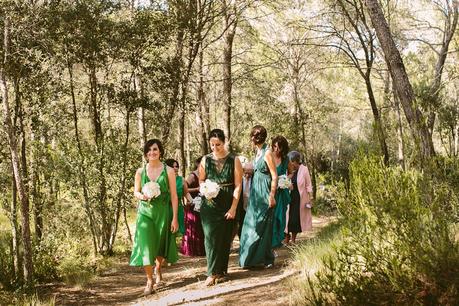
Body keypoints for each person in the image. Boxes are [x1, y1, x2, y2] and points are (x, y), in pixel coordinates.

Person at [130, 139, 179, 295]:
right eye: (149, 150)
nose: (152, 152)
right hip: (145, 213)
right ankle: (149, 281)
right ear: (145, 154)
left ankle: (158, 268)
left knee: (159, 245)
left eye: (155, 149)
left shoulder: (169, 171)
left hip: (163, 212)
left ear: (160, 151)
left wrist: (175, 218)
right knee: (146, 245)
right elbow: (135, 192)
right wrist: (142, 196)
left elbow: (174, 196)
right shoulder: (140, 172)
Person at [199, 129, 243, 286]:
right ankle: (211, 273)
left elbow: (238, 185)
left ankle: (222, 271)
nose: (215, 148)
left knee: (225, 239)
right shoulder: (205, 160)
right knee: (210, 238)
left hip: (227, 202)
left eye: (218, 144)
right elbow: (201, 180)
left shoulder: (234, 160)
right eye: (212, 144)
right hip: (210, 204)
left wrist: (233, 208)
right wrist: (206, 189)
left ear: (224, 142)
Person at [239, 125, 278, 268]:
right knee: (252, 224)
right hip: (255, 191)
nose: (251, 139)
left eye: (253, 136)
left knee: (263, 225)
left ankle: (263, 258)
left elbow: (274, 176)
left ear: (258, 138)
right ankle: (253, 257)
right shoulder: (259, 152)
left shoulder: (267, 153)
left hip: (265, 192)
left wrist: (272, 195)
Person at [285, 151, 313, 244]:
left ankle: (293, 239)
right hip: (288, 196)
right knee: (286, 217)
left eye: (292, 161)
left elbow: (308, 184)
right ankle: (286, 237)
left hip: (299, 197)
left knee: (295, 218)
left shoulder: (304, 169)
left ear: (296, 161)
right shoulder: (287, 169)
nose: (291, 163)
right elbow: (283, 180)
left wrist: (310, 198)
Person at [180, 157, 206, 256]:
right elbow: (184, 189)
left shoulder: (205, 175)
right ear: (198, 164)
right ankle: (192, 250)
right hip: (193, 204)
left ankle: (202, 250)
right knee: (194, 226)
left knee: (201, 227)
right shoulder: (192, 175)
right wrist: (197, 189)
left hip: (202, 204)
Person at [271, 136, 291, 249]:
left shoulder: (286, 159)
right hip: (272, 191)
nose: (276, 149)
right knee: (272, 216)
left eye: (279, 147)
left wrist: (285, 180)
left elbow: (291, 172)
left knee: (280, 217)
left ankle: (278, 238)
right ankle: (271, 242)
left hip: (282, 193)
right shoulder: (269, 157)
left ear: (283, 148)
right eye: (274, 146)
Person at [165, 158, 191, 235]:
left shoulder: (182, 179)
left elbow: (186, 193)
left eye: (177, 166)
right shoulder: (164, 179)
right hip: (165, 208)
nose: (175, 168)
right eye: (173, 167)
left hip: (178, 208)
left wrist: (193, 202)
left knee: (176, 232)